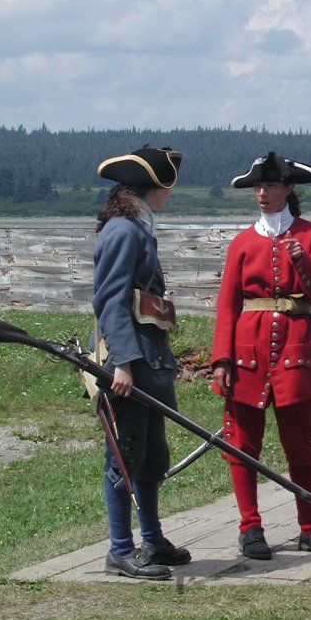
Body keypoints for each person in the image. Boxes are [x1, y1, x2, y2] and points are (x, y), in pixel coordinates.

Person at [210, 151, 311, 560]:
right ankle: (250, 528)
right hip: (247, 353)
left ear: (289, 188)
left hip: (296, 351)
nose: (262, 194)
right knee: (242, 444)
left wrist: (300, 258)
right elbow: (227, 305)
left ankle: (308, 526)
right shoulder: (242, 242)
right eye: (257, 186)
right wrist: (221, 360)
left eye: (269, 186)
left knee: (301, 446)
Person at [93, 145, 192, 580]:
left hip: (150, 358)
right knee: (125, 455)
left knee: (152, 456)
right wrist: (122, 363)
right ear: (155, 187)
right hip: (130, 362)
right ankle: (120, 548)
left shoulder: (137, 228)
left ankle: (152, 539)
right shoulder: (123, 231)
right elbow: (110, 302)